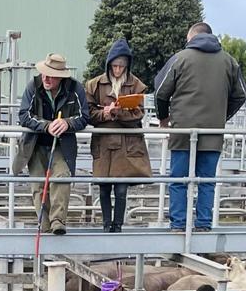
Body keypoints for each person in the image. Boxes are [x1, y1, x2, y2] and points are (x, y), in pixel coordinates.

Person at [154, 22, 246, 232]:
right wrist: (223, 115)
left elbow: (160, 91)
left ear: (191, 37)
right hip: (213, 132)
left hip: (182, 131)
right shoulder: (229, 61)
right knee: (207, 181)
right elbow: (241, 93)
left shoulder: (180, 58)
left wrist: (163, 118)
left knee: (179, 180)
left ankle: (178, 225)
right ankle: (204, 224)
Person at [12, 53, 89, 235]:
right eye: (44, 73)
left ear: (60, 77)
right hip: (36, 143)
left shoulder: (75, 89)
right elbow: (24, 114)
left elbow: (84, 116)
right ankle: (44, 224)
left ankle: (58, 221)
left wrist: (67, 123)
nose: (46, 78)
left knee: (62, 177)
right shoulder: (34, 86)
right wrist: (46, 125)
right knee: (39, 184)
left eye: (51, 75)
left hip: (63, 143)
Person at [85, 38, 151, 233]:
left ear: (127, 66)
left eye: (121, 66)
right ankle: (106, 225)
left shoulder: (137, 85)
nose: (117, 70)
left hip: (126, 143)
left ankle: (118, 226)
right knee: (104, 186)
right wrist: (104, 113)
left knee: (121, 188)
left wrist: (118, 112)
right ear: (108, 65)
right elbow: (87, 113)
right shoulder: (94, 85)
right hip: (104, 142)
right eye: (114, 66)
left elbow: (139, 113)